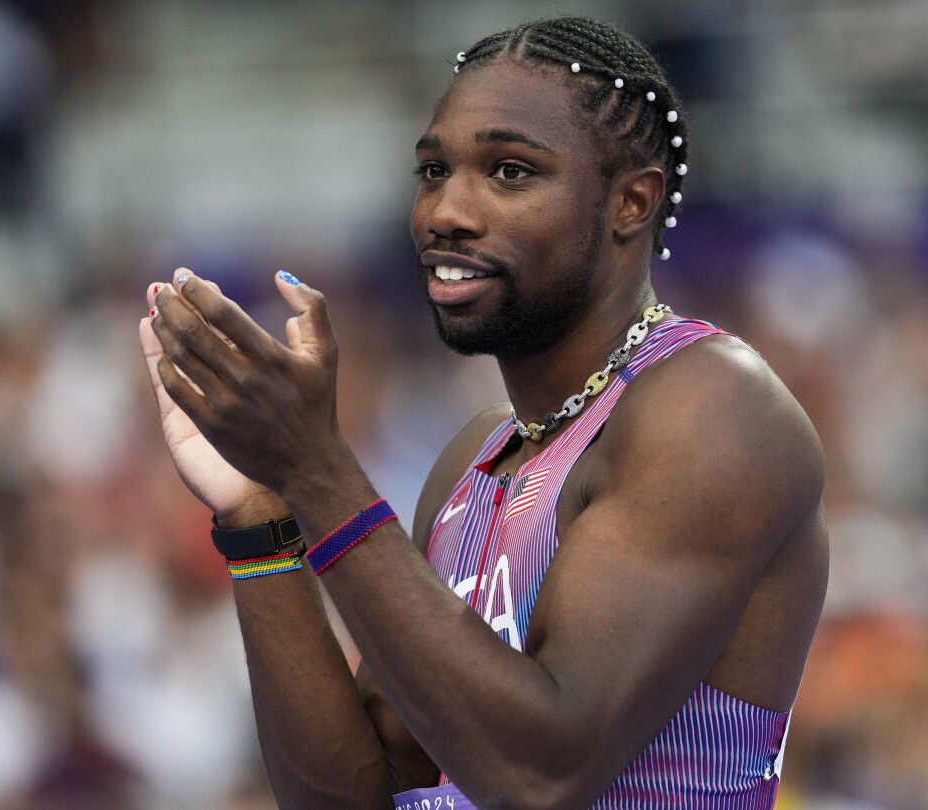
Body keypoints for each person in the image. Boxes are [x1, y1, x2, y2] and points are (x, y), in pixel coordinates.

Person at [138, 16, 827, 809]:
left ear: (631, 202)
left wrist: (317, 468)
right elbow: (355, 799)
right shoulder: (474, 459)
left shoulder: (715, 410)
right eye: (433, 170)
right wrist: (263, 516)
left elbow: (543, 775)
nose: (446, 212)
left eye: (508, 171)